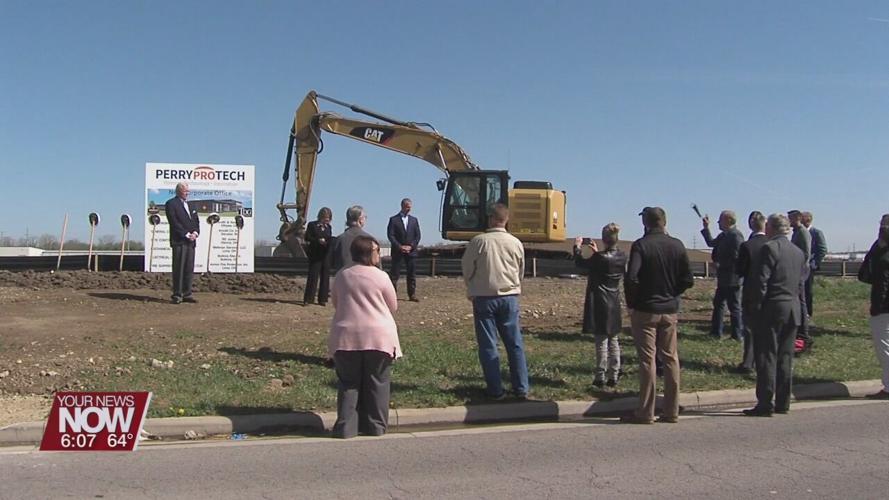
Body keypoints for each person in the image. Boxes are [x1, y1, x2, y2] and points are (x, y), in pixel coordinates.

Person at [622, 207, 694, 424]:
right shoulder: (677, 245)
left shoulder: (642, 245)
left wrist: (632, 303)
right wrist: (673, 292)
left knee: (647, 360)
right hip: (669, 309)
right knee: (671, 358)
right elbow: (688, 279)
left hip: (646, 309)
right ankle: (671, 410)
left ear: (646, 222)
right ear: (664, 221)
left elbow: (632, 277)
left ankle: (645, 411)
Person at [328, 235, 402, 438]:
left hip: (346, 336)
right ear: (369, 253)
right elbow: (392, 305)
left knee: (348, 383)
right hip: (379, 336)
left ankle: (346, 427)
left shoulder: (342, 275)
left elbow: (336, 302)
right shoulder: (381, 277)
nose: (379, 254)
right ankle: (376, 426)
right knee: (378, 382)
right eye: (377, 250)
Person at [461, 203, 529, 400]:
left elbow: (467, 268)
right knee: (515, 343)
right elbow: (521, 270)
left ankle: (495, 389)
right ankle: (521, 388)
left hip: (484, 296)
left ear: (491, 218)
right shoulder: (516, 243)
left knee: (489, 344)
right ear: (506, 220)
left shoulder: (479, 241)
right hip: (509, 297)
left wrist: (472, 286)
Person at [743, 213, 807, 417]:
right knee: (785, 356)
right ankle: (783, 401)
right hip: (792, 307)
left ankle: (765, 402)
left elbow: (761, 281)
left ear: (770, 228)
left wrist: (754, 307)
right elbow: (800, 284)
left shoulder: (769, 248)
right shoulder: (798, 252)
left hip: (772, 307)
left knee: (766, 355)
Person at [573, 223, 627, 388]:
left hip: (600, 301)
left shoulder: (599, 258)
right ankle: (615, 374)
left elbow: (581, 263)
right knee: (614, 339)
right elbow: (605, 264)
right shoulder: (622, 256)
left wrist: (577, 247)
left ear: (603, 239)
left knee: (601, 341)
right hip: (614, 300)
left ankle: (600, 376)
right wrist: (597, 253)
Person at [856, 214, 889, 400]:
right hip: (882, 303)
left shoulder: (881, 251)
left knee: (884, 346)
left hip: (883, 306)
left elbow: (865, 274)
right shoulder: (879, 250)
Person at [701, 210, 745, 340]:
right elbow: (711, 243)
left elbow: (737, 258)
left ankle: (737, 334)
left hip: (733, 278)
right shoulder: (724, 235)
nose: (718, 222)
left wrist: (721, 265)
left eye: (720, 220)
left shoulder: (736, 236)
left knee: (734, 307)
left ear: (728, 221)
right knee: (719, 304)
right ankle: (716, 332)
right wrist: (706, 228)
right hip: (724, 278)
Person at [734, 211, 768, 374]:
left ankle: (748, 362)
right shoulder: (772, 243)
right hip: (770, 292)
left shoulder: (747, 246)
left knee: (750, 328)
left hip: (751, 290)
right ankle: (765, 361)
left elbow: (740, 270)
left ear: (750, 225)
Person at [164, 182, 199, 304]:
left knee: (189, 268)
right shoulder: (171, 204)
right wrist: (185, 234)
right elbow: (174, 222)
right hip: (179, 241)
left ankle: (187, 293)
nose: (187, 193)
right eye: (185, 191)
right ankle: (177, 294)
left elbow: (196, 221)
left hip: (191, 242)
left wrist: (195, 233)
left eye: (188, 191)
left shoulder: (191, 205)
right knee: (179, 268)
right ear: (178, 191)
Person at [387, 198, 421, 302]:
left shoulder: (414, 220)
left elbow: (418, 235)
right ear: (402, 206)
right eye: (407, 207)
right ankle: (392, 295)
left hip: (411, 252)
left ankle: (412, 294)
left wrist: (411, 246)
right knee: (394, 274)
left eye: (410, 207)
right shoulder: (394, 220)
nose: (409, 209)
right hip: (398, 252)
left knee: (411, 274)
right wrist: (399, 246)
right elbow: (390, 235)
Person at [788, 210, 813, 353]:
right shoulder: (797, 232)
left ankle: (803, 331)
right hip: (798, 269)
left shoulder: (802, 232)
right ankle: (801, 330)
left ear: (797, 218)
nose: (789, 221)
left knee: (801, 301)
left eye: (790, 218)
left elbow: (805, 254)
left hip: (801, 270)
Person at [303, 207, 333, 306]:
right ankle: (308, 299)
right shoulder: (312, 225)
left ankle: (322, 299)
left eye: (328, 218)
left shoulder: (329, 228)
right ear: (321, 217)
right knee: (313, 276)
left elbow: (329, 238)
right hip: (315, 254)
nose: (327, 220)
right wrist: (317, 240)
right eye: (325, 218)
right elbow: (307, 237)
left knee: (325, 277)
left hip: (325, 255)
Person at [801, 211, 828, 318]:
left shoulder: (816, 232)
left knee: (808, 289)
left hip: (810, 265)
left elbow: (822, 249)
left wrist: (815, 263)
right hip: (801, 265)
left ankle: (808, 312)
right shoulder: (799, 232)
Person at [332, 205, 373, 270]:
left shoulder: (339, 239)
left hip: (343, 276)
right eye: (365, 217)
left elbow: (333, 261)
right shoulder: (369, 239)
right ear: (360, 220)